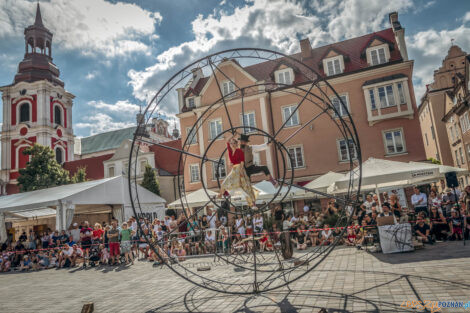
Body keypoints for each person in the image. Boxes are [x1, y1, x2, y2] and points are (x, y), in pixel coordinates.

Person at [218, 134, 258, 208]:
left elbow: (242, 162)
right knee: (225, 182)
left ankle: (252, 203)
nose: (232, 144)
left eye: (234, 143)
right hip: (234, 170)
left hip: (239, 169)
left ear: (236, 144)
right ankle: (223, 194)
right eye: (231, 143)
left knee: (244, 186)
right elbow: (227, 141)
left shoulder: (239, 151)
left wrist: (241, 171)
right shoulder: (230, 150)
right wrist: (233, 136)